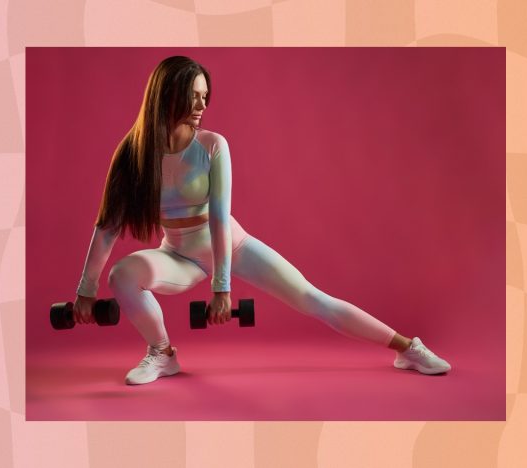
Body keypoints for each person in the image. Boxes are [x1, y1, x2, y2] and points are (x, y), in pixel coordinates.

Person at [73, 56, 452, 385]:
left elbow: (220, 219)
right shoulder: (133, 151)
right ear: (166, 94)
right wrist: (85, 292)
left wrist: (222, 288)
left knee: (312, 299)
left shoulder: (212, 146)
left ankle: (408, 349)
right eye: (193, 95)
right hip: (177, 256)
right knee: (122, 275)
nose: (201, 104)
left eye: (205, 96)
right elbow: (108, 224)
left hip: (233, 247)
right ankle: (162, 353)